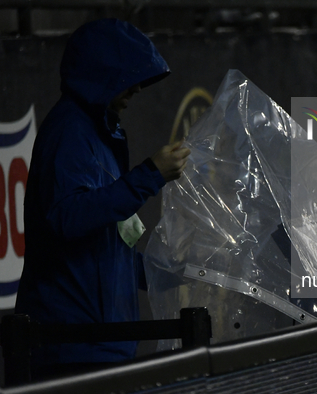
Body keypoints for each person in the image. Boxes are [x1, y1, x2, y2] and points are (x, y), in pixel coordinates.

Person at [15, 18, 190, 379]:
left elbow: (109, 242)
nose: (136, 89)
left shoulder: (99, 134)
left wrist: (172, 273)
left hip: (102, 343)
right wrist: (151, 175)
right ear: (102, 74)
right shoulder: (69, 132)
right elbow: (67, 218)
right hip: (71, 347)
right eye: (129, 79)